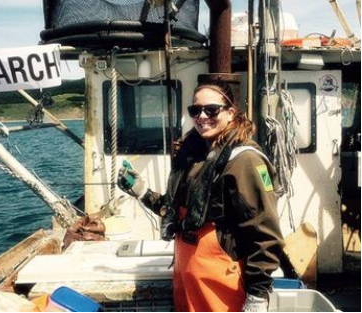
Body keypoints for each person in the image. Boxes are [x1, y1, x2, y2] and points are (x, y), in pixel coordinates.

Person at [117, 77, 284, 312]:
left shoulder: (245, 160)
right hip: (188, 280)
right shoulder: (193, 155)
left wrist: (257, 296)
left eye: (211, 109)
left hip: (222, 286)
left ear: (230, 112)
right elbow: (178, 211)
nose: (202, 116)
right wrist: (142, 192)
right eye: (196, 110)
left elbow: (265, 236)